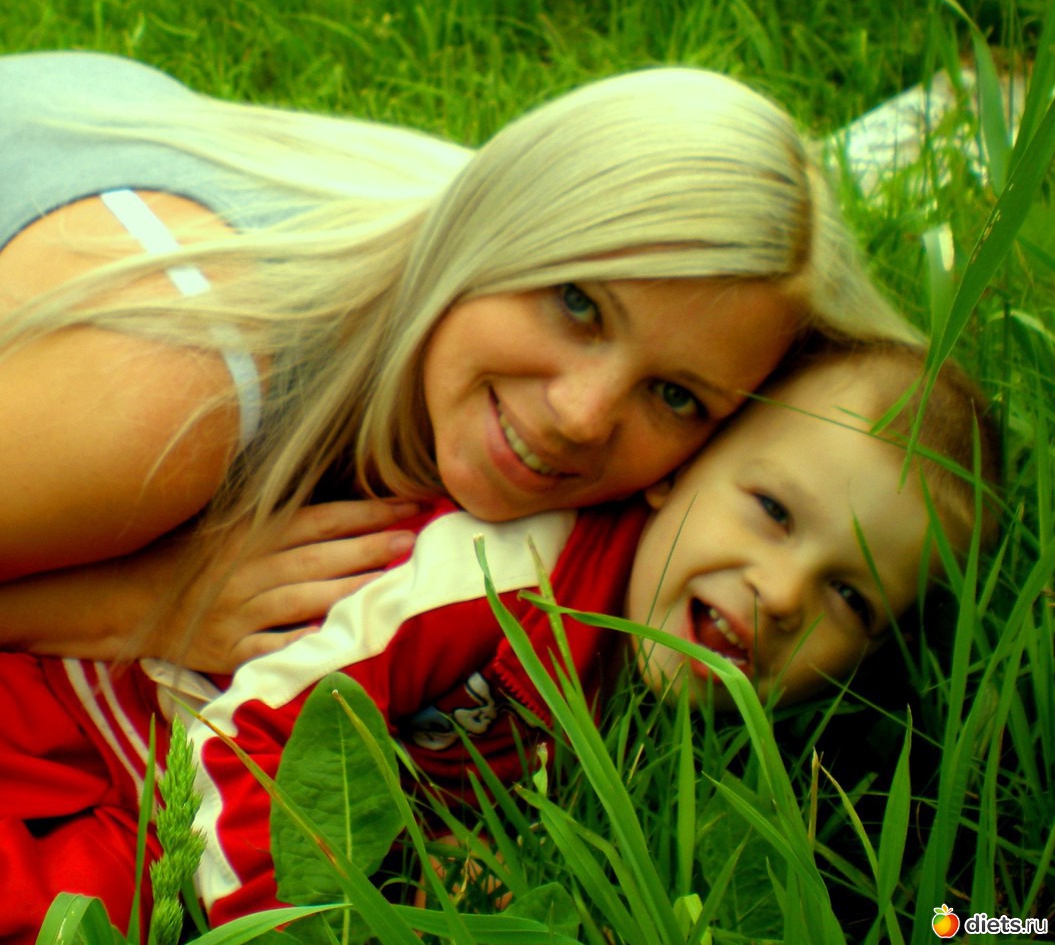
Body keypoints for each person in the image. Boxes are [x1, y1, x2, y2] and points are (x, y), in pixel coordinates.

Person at [0, 340, 1001, 940]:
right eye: (773, 511)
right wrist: (302, 929)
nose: (781, 594)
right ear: (679, 468)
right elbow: (254, 736)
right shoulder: (503, 573)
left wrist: (440, 857)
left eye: (849, 597)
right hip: (103, 722)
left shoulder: (676, 727)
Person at [0, 53, 916, 672]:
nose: (582, 416)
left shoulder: (483, 284)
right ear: (496, 224)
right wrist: (142, 605)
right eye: (577, 303)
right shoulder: (171, 396)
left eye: (673, 395)